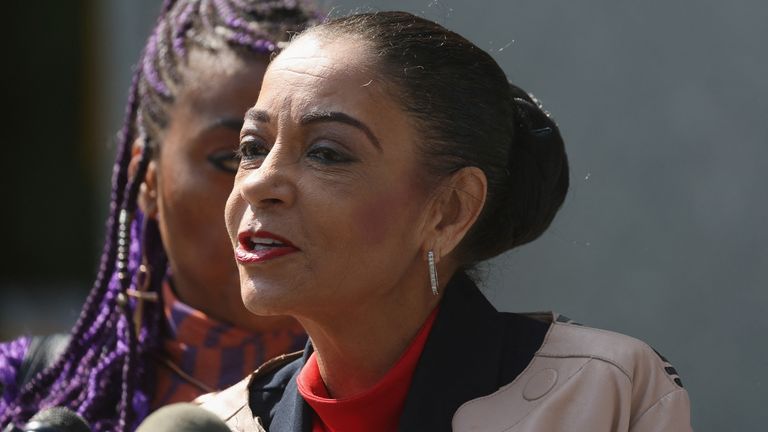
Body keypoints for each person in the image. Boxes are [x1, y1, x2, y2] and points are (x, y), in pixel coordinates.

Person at [206, 11, 693, 431]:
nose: (256, 183)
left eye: (327, 154)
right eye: (252, 148)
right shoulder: (217, 424)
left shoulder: (601, 394)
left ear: (451, 210)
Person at [0, 1, 319, 430]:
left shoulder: (418, 393)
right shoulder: (25, 392)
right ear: (146, 180)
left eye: (321, 155)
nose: (270, 187)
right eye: (237, 154)